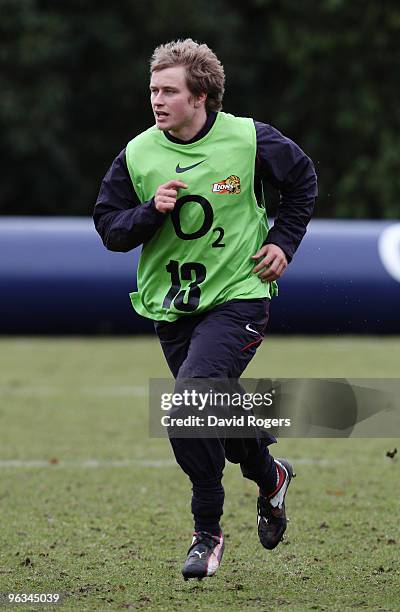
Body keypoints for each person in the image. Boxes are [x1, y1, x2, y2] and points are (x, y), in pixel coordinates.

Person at [94, 38, 317, 581]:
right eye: (153, 90)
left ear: (201, 97)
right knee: (211, 410)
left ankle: (207, 532)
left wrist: (284, 242)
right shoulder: (138, 153)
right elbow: (109, 228)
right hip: (172, 309)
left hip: (240, 296)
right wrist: (150, 211)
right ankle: (271, 478)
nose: (157, 100)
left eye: (169, 90)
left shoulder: (248, 139)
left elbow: (302, 180)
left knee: (188, 404)